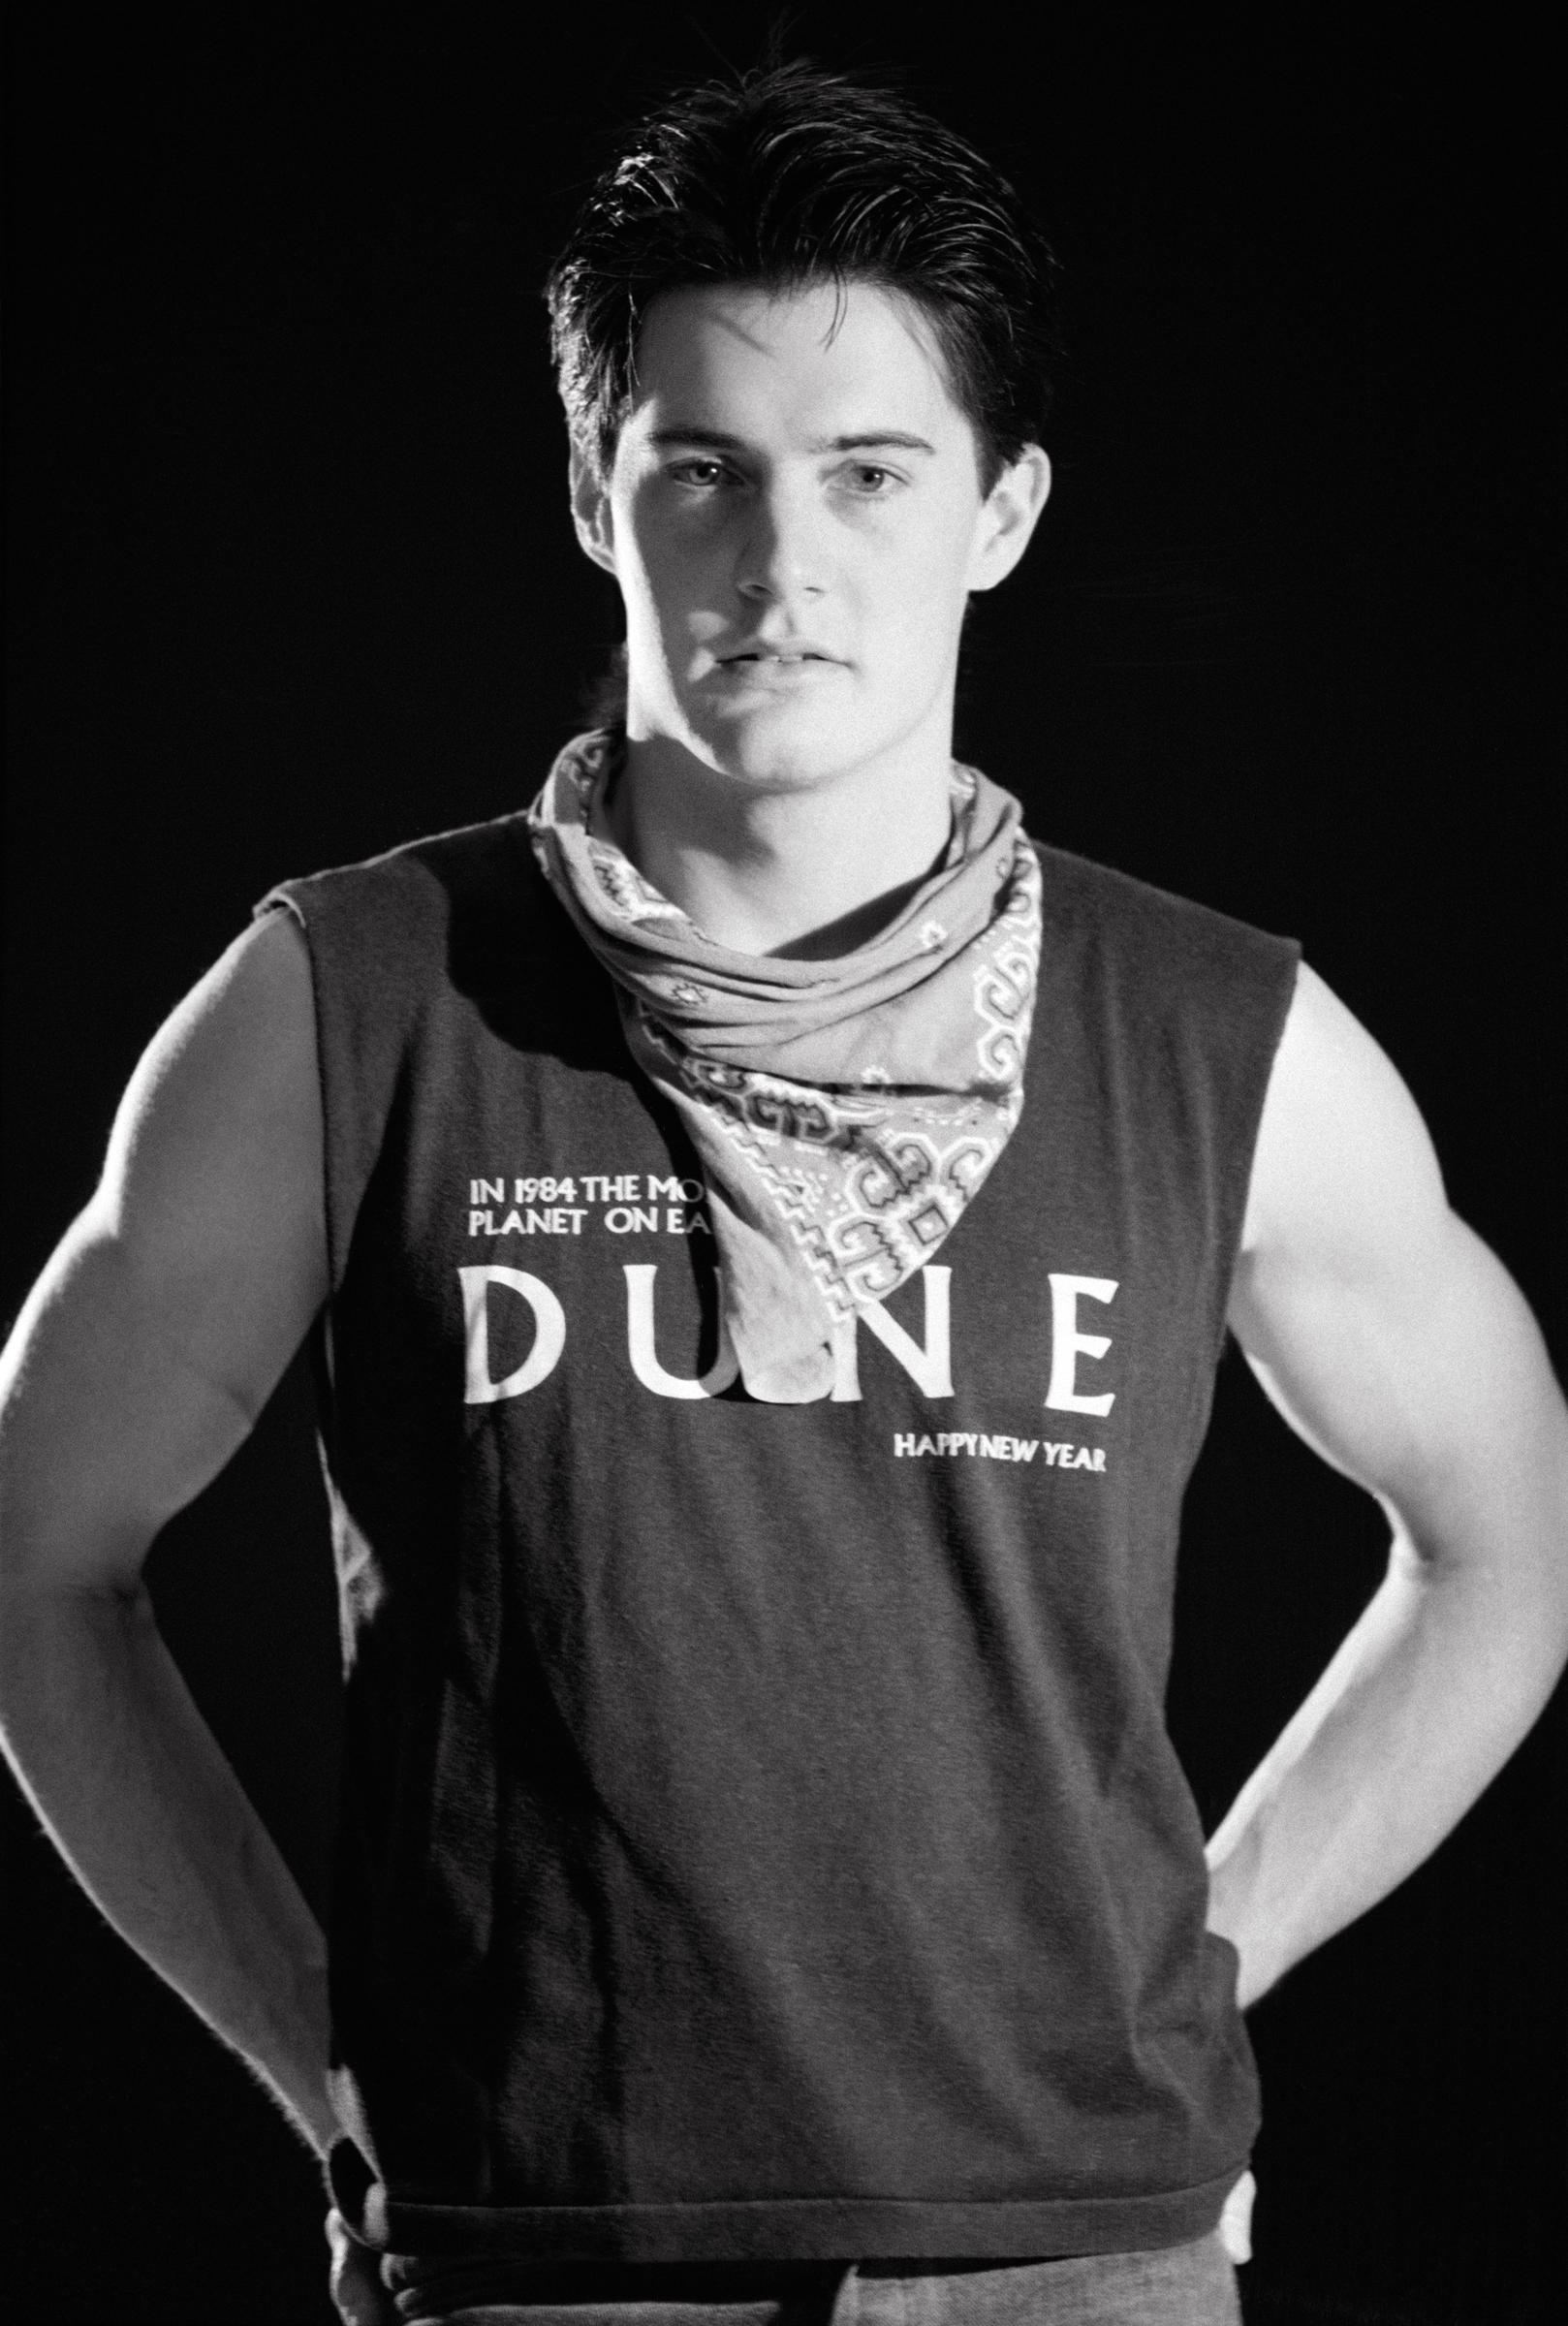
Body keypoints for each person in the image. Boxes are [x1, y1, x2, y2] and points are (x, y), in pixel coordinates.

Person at [1, 58, 1564, 2326]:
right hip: (550, 2258)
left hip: (1080, 2259)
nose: (781, 562)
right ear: (588, 487)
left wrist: (1201, 1970)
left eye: (867, 474)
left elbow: (1509, 1538)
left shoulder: (1223, 1039)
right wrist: (318, 2057)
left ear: (1000, 511)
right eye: (702, 472)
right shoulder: (347, 1005)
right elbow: (37, 1567)